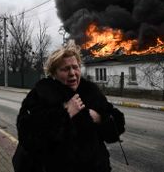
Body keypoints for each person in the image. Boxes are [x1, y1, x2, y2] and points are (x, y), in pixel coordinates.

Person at [13, 41, 125, 172]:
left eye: (75, 67)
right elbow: (28, 137)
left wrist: (100, 118)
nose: (72, 73)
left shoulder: (90, 92)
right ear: (54, 73)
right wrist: (65, 113)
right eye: (65, 69)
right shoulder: (41, 94)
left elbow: (117, 124)